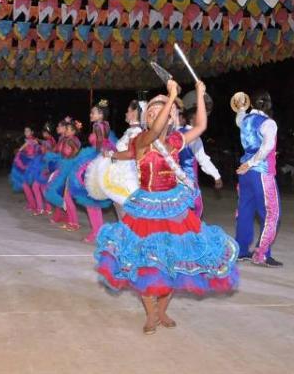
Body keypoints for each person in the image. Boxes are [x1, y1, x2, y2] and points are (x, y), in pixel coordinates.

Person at [94, 80, 238, 335]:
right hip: (146, 210)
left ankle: (162, 311)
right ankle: (150, 315)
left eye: (159, 112)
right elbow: (154, 130)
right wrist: (170, 97)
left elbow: (202, 126)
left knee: (173, 262)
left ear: (171, 118)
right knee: (148, 264)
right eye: (149, 113)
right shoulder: (142, 139)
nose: (154, 116)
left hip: (174, 208)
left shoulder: (174, 141)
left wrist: (201, 95)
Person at [234, 91, 283, 267]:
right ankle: (262, 254)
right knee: (271, 213)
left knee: (245, 210)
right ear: (269, 105)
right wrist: (252, 162)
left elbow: (239, 117)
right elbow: (267, 146)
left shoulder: (244, 120)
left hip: (245, 173)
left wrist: (241, 107)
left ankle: (241, 251)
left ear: (253, 104)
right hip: (261, 171)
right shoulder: (269, 123)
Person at [69, 100, 117, 243]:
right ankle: (99, 231)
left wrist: (93, 162)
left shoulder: (97, 126)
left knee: (90, 198)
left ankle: (97, 232)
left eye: (93, 112)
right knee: (94, 199)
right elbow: (108, 144)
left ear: (100, 114)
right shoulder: (106, 125)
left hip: (97, 160)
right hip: (104, 160)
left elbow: (101, 146)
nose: (90, 114)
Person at [179, 107, 223, 218]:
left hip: (174, 181)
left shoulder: (176, 133)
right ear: (192, 119)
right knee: (197, 208)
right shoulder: (194, 138)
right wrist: (216, 176)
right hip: (189, 181)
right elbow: (203, 160)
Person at [45, 119, 82, 231]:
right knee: (65, 196)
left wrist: (68, 163)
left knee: (66, 196)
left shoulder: (71, 140)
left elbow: (76, 154)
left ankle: (74, 223)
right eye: (65, 129)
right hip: (65, 168)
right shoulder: (68, 139)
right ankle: (70, 220)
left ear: (74, 131)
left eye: (68, 129)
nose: (65, 131)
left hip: (69, 169)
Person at [9, 127, 40, 213]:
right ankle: (32, 204)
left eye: (28, 131)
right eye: (25, 131)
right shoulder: (29, 140)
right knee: (27, 185)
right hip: (28, 164)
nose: (26, 132)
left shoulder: (31, 140)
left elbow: (22, 149)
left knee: (29, 185)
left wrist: (20, 151)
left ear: (32, 132)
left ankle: (36, 205)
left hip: (32, 165)